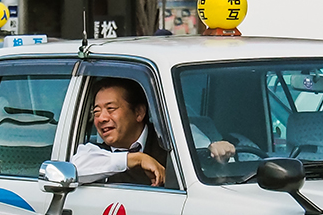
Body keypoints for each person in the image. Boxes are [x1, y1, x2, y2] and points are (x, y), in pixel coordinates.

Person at [71, 78, 236, 186]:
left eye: (111, 109)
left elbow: (213, 166)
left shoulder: (176, 136)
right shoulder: (94, 150)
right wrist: (137, 159)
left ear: (139, 112)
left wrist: (220, 156)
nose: (101, 118)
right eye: (97, 112)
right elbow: (74, 170)